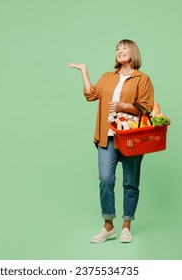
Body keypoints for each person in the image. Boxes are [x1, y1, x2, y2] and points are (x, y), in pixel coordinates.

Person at [68, 39, 154, 243]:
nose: (120, 51)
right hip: (107, 136)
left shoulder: (143, 79)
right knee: (106, 180)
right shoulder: (108, 77)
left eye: (124, 48)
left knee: (130, 183)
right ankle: (108, 226)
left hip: (131, 137)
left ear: (133, 52)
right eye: (117, 49)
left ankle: (126, 226)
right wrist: (84, 71)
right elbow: (91, 95)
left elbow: (147, 107)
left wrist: (125, 106)